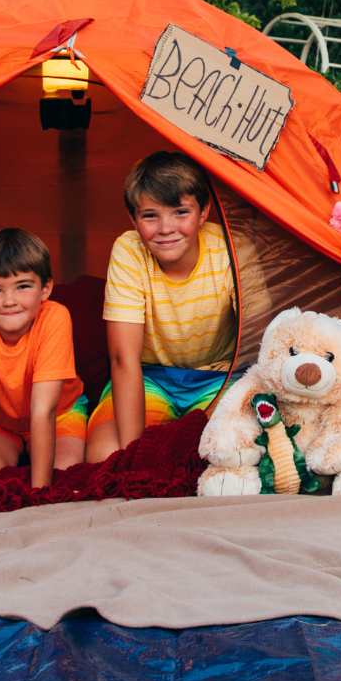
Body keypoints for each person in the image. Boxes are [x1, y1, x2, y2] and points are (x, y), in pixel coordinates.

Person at [59, 151, 237, 464]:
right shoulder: (129, 251)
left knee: (230, 450)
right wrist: (136, 456)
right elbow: (123, 357)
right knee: (106, 455)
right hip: (150, 378)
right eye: (150, 215)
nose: (166, 227)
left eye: (180, 212)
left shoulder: (230, 251)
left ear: (204, 210)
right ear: (133, 219)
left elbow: (260, 336)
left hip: (220, 376)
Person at [0, 228, 83, 490]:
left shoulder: (55, 317)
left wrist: (39, 494)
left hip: (61, 413)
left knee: (64, 471)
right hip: (1, 421)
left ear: (45, 289)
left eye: (22, 287)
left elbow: (44, 410)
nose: (9, 301)